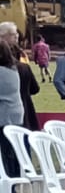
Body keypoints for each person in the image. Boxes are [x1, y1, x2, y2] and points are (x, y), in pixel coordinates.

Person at [0, 43, 24, 176]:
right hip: (14, 114)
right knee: (11, 150)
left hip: (4, 116)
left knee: (6, 153)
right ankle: (13, 178)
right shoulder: (12, 69)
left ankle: (9, 180)